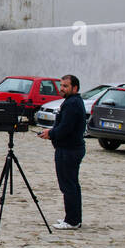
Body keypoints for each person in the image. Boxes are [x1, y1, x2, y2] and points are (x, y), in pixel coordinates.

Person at [37, 74, 85, 230]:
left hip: (69, 150)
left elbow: (66, 128)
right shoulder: (71, 102)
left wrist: (51, 134)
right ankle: (72, 217)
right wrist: (51, 131)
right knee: (71, 185)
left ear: (74, 88)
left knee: (68, 186)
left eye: (65, 86)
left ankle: (72, 220)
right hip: (68, 148)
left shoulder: (72, 104)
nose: (62, 88)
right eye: (61, 85)